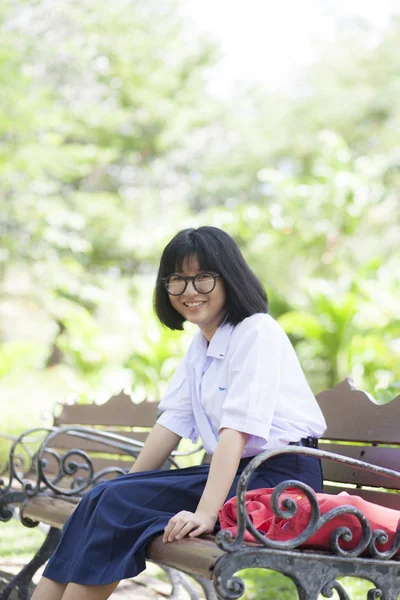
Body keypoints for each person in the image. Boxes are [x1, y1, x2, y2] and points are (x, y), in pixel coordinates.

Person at [32, 226, 326, 600]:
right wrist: (123, 487)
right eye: (177, 280)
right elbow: (172, 420)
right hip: (239, 476)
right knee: (105, 497)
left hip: (281, 485)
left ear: (229, 278)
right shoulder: (201, 346)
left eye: (203, 278)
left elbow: (235, 431)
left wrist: (205, 513)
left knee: (115, 501)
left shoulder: (256, 332)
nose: (189, 291)